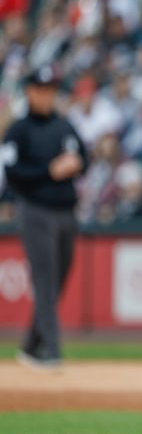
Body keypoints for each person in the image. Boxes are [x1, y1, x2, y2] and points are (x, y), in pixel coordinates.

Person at [2, 64, 89, 369]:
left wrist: (76, 164)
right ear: (30, 92)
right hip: (35, 210)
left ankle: (30, 346)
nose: (48, 96)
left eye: (52, 90)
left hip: (66, 210)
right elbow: (12, 173)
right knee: (46, 280)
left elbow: (85, 158)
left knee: (59, 278)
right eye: (43, 90)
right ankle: (51, 350)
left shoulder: (64, 125)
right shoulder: (19, 130)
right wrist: (50, 171)